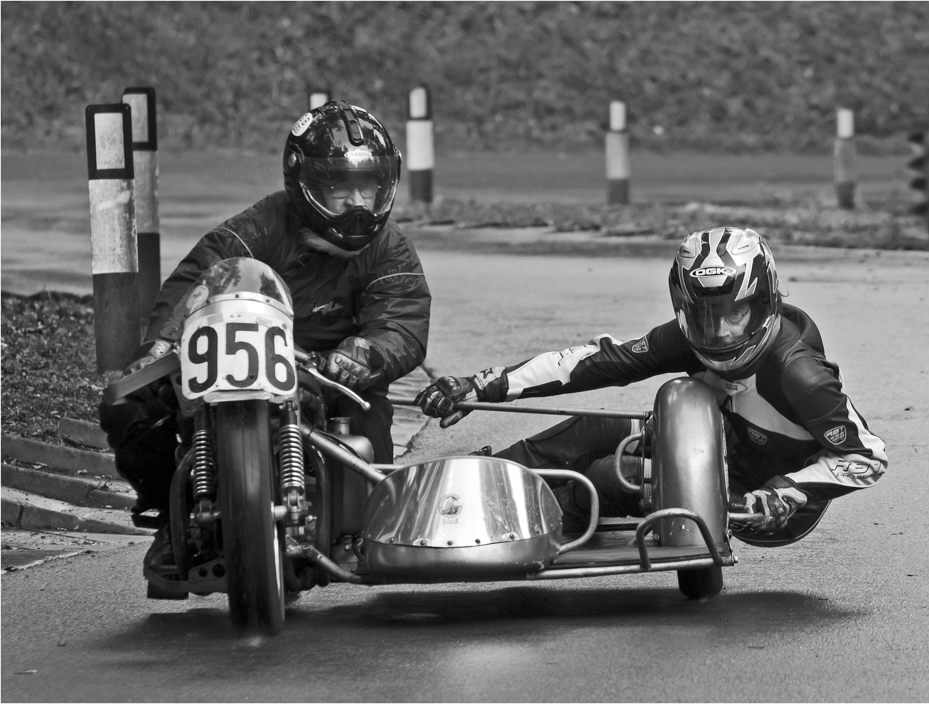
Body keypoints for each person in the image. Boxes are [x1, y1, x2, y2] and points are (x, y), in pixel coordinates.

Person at [99, 100, 431, 580]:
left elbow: (401, 320)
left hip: (330, 377)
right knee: (127, 407)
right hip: (237, 362)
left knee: (367, 450)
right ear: (305, 184)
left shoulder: (390, 247)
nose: (357, 204)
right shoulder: (257, 227)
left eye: (368, 187)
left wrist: (359, 355)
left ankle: (347, 528)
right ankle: (173, 517)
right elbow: (196, 284)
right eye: (340, 188)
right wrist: (161, 347)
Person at [415, 226, 886, 546]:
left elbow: (868, 456)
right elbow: (600, 360)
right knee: (596, 429)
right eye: (705, 316)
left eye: (735, 313)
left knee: (608, 473)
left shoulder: (799, 374)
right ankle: (473, 483)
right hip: (714, 450)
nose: (720, 333)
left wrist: (788, 491)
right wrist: (485, 385)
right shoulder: (689, 337)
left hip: (759, 503)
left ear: (763, 302)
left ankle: (540, 522)